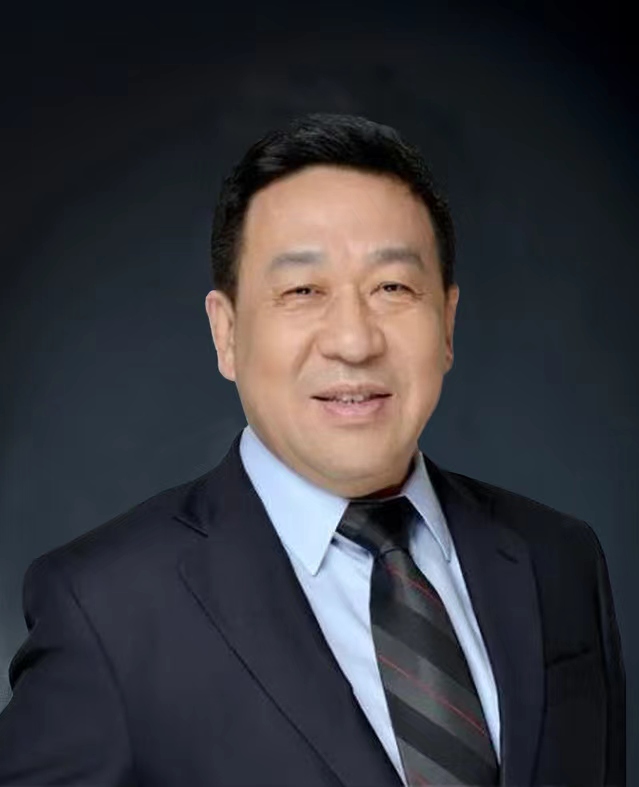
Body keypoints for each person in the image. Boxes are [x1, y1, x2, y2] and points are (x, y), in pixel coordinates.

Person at [0, 113, 625, 786]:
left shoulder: (558, 559)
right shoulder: (106, 610)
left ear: (446, 323)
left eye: (392, 287)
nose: (353, 341)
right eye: (302, 291)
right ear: (226, 333)